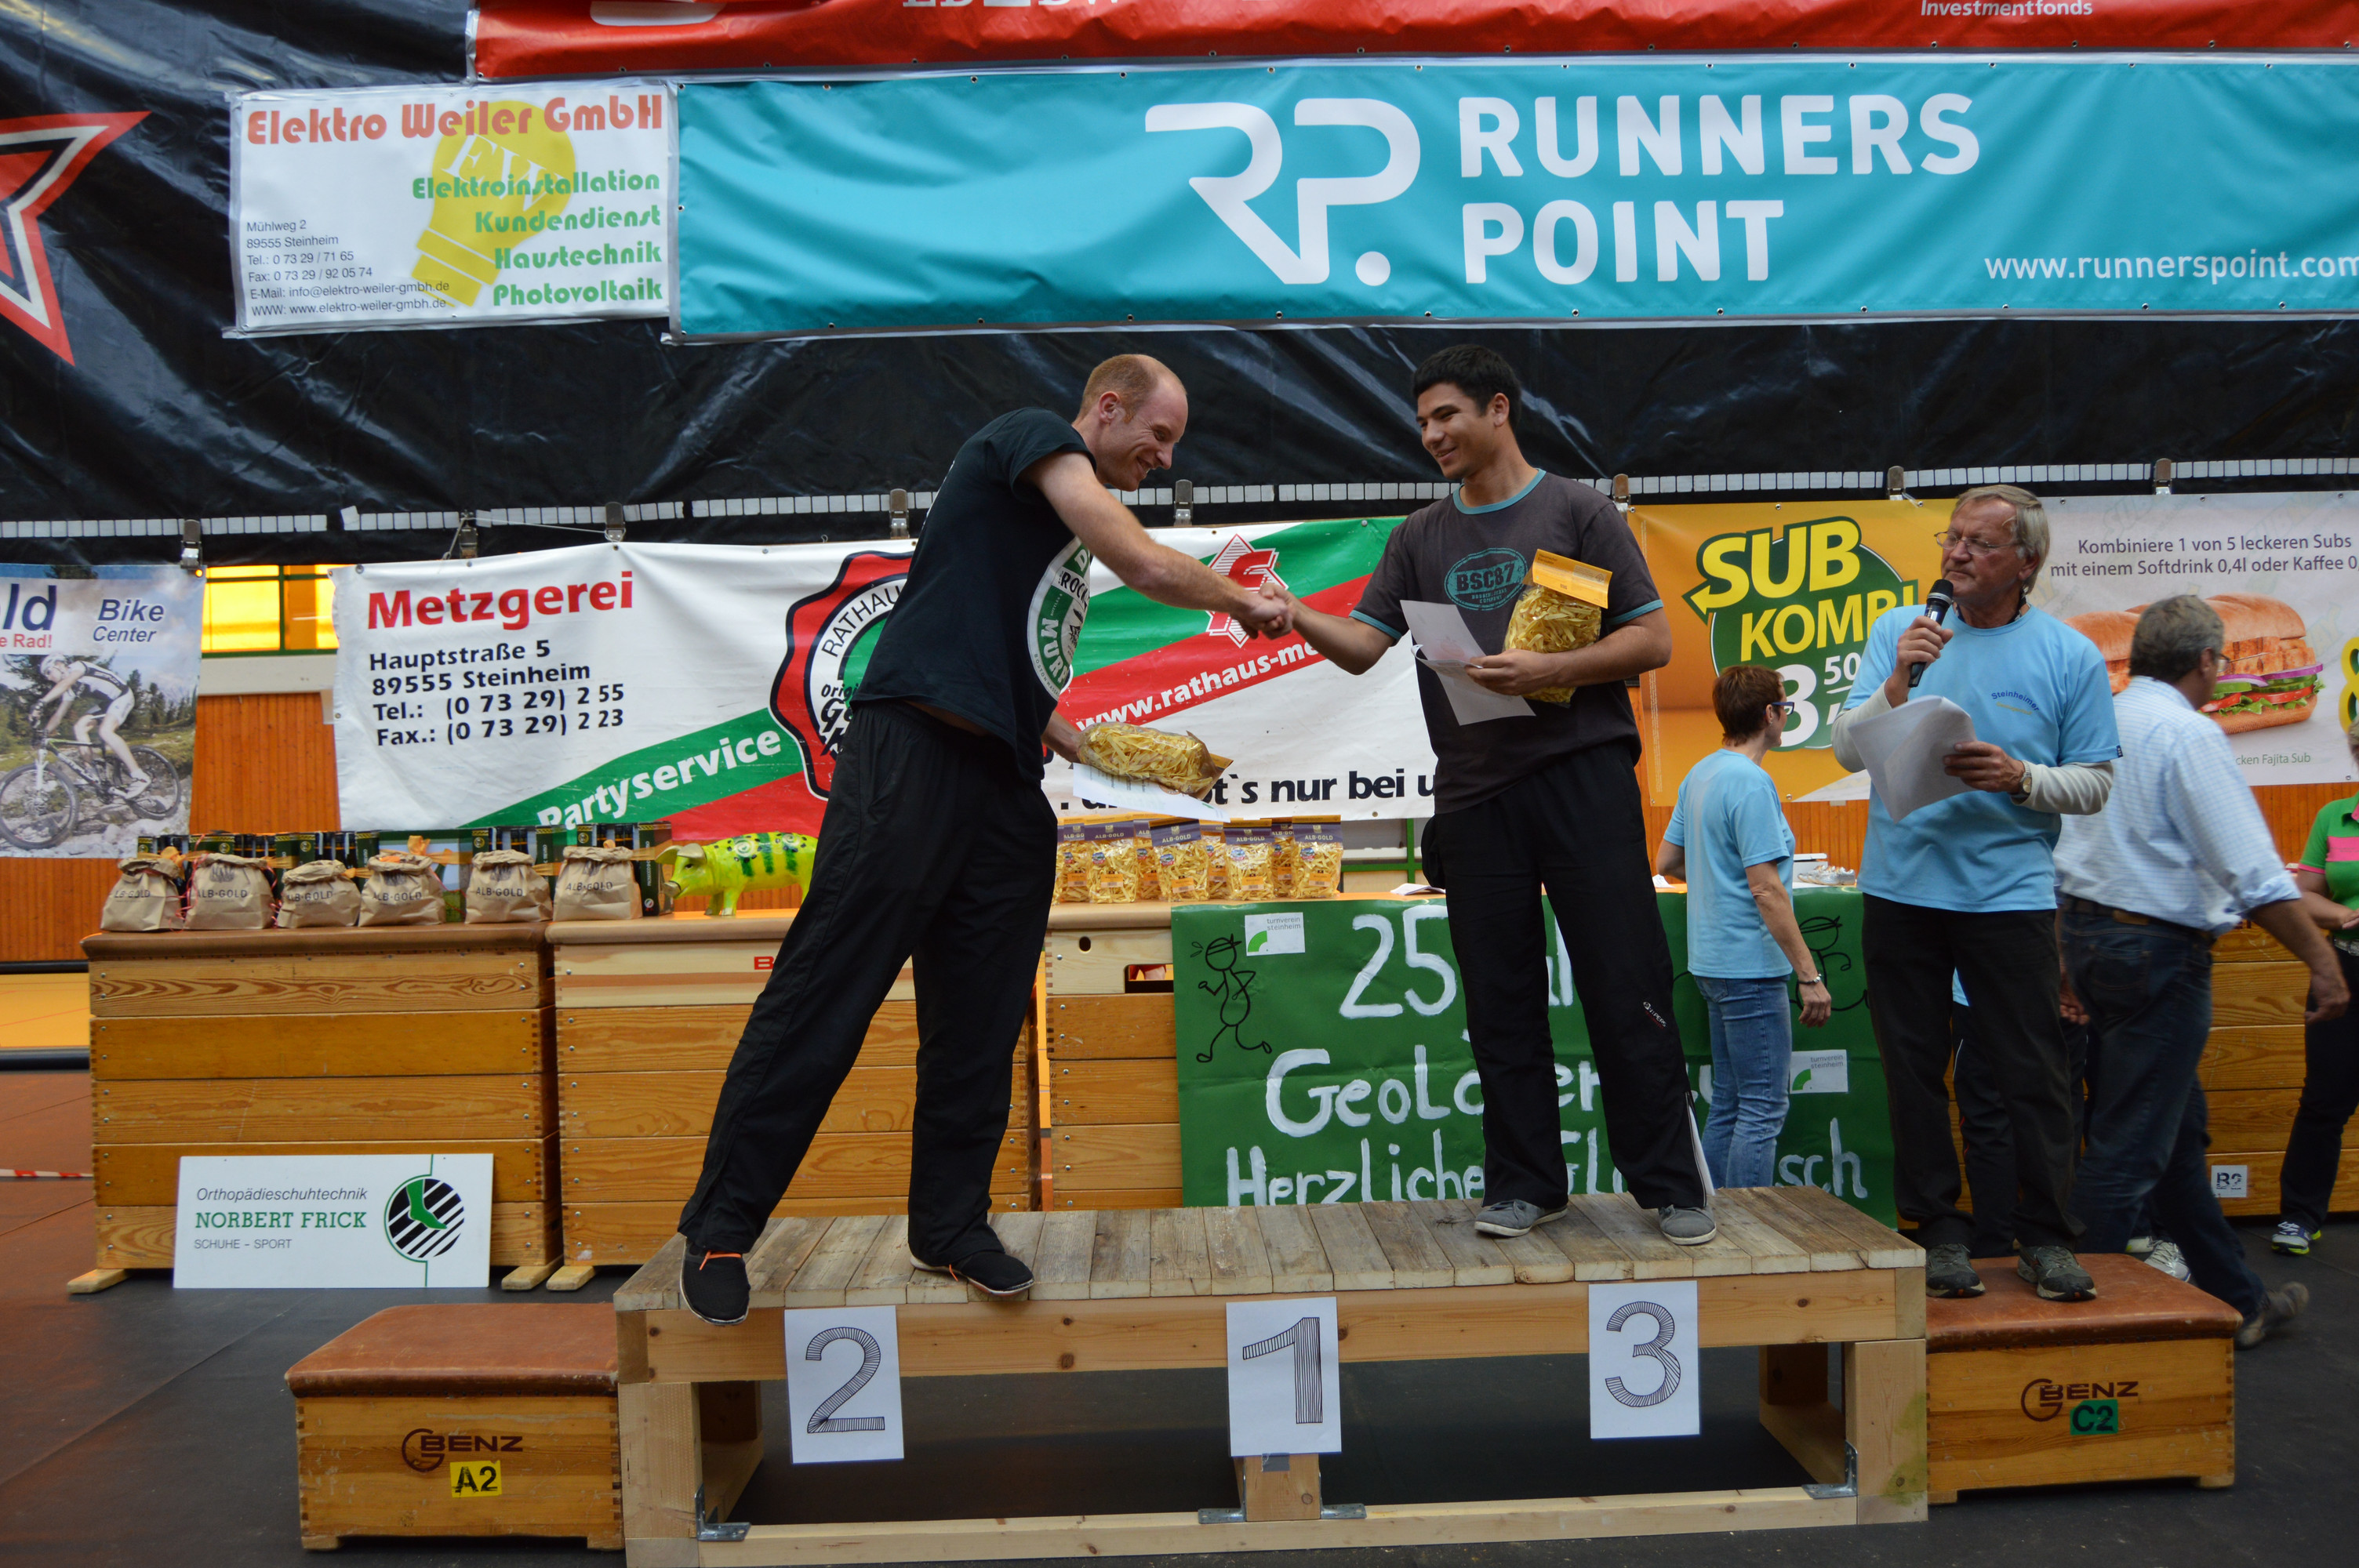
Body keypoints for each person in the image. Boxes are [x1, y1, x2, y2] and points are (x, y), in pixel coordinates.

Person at [675, 355, 1293, 1326]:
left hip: (1002, 781)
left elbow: (1006, 660)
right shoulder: (1027, 438)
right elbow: (1140, 560)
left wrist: (1090, 743)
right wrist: (1239, 596)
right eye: (1158, 435)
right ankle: (719, 1227)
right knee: (825, 992)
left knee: (980, 1019)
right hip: (910, 756)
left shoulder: (1039, 537)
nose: (1164, 459)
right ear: (1105, 407)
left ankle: (949, 1223)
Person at [1276, 343, 1713, 1244]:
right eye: (1421, 422)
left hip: (1584, 778)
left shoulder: (1578, 510)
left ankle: (1669, 1183)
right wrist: (1289, 614)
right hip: (1474, 795)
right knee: (1497, 1000)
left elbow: (1652, 641)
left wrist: (1548, 668)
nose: (1431, 435)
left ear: (1498, 409)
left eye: (1446, 415)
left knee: (1625, 982)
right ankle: (1525, 1183)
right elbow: (1361, 648)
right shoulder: (1416, 536)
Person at [1830, 485, 2119, 1302]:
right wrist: (1896, 683)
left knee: (2033, 1072)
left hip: (2009, 895)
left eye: (1978, 543)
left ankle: (2044, 1237)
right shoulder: (1899, 631)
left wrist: (2020, 777)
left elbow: (2095, 783)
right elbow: (1846, 751)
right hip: (1901, 888)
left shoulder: (2067, 654)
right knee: (1913, 1070)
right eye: (1951, 538)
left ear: (2026, 561)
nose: (1955, 553)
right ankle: (1938, 1232)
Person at [2054, 595, 2343, 1345]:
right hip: (2158, 955)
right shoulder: (2188, 733)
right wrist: (2323, 965)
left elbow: (2065, 851)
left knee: (2175, 1135)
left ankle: (2239, 1301)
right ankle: (2067, 1333)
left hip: (2092, 941)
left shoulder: (2101, 722)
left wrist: (2064, 957)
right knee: (2130, 1148)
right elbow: (2255, 874)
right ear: (2209, 661)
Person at [1653, 665, 1832, 1189]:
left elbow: (1668, 861)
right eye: (1785, 706)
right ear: (1769, 715)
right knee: (1762, 1107)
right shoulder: (1752, 783)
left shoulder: (1701, 773)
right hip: (1749, 967)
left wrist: (1720, 878)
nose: (1786, 716)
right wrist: (1809, 975)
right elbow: (1766, 889)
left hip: (1713, 962)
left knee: (1731, 1103)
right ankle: (1749, 1223)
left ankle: (1717, 1216)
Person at [2272, 716, 2359, 1257]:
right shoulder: (2335, 816)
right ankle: (2299, 1217)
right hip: (2346, 967)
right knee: (2325, 1098)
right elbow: (2305, 894)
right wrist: (2346, 916)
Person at [32, 654, 146, 796]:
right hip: (108, 703)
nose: (48, 678)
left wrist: (41, 702)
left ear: (58, 665)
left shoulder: (78, 667)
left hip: (123, 696)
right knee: (79, 727)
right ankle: (91, 773)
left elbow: (66, 683)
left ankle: (139, 776)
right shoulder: (69, 690)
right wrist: (43, 733)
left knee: (105, 731)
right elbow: (58, 716)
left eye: (48, 672)